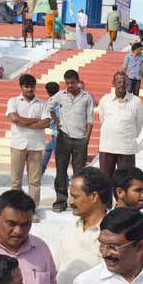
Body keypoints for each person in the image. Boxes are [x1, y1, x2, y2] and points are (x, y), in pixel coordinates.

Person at [51, 70, 94, 213]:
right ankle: (61, 200)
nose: (70, 85)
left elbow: (90, 119)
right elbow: (49, 107)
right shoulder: (60, 96)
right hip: (64, 137)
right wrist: (57, 122)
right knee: (61, 170)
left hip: (81, 139)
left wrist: (86, 138)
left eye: (72, 83)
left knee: (79, 174)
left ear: (78, 82)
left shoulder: (87, 97)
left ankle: (78, 202)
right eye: (67, 83)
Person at [6, 74, 50, 211]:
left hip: (36, 146)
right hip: (18, 144)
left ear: (35, 86)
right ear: (21, 87)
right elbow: (14, 119)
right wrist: (35, 120)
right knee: (16, 181)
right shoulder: (13, 101)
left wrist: (22, 122)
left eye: (32, 86)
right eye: (26, 86)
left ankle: (32, 210)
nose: (29, 89)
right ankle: (16, 209)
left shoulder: (42, 104)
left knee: (35, 181)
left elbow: (46, 123)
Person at [97, 71, 143, 177]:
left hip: (126, 148)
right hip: (107, 147)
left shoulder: (136, 101)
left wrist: (129, 135)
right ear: (113, 83)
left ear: (128, 83)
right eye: (118, 82)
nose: (121, 85)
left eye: (124, 82)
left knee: (126, 182)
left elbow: (139, 123)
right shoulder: (105, 100)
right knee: (105, 180)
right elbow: (102, 120)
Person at [41, 81, 61, 176]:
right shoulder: (62, 99)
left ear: (48, 92)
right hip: (58, 132)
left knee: (59, 159)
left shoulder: (50, 103)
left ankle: (63, 179)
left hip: (57, 133)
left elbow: (49, 120)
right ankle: (41, 170)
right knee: (48, 149)